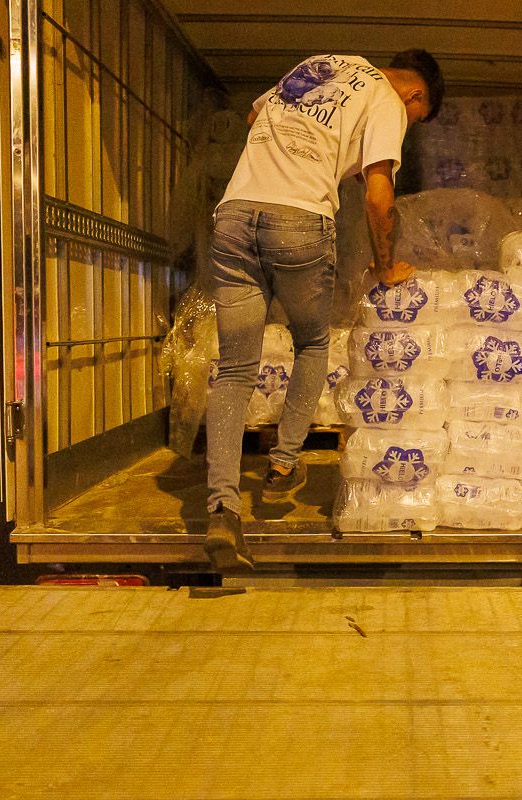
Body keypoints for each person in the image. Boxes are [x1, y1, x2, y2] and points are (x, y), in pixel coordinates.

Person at [202, 50, 444, 569]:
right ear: (414, 96)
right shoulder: (385, 99)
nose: (408, 122)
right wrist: (384, 266)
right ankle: (283, 467)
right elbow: (379, 199)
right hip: (300, 222)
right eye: (415, 118)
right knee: (311, 342)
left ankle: (222, 509)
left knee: (235, 369)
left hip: (235, 216)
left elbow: (254, 117)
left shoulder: (324, 63)